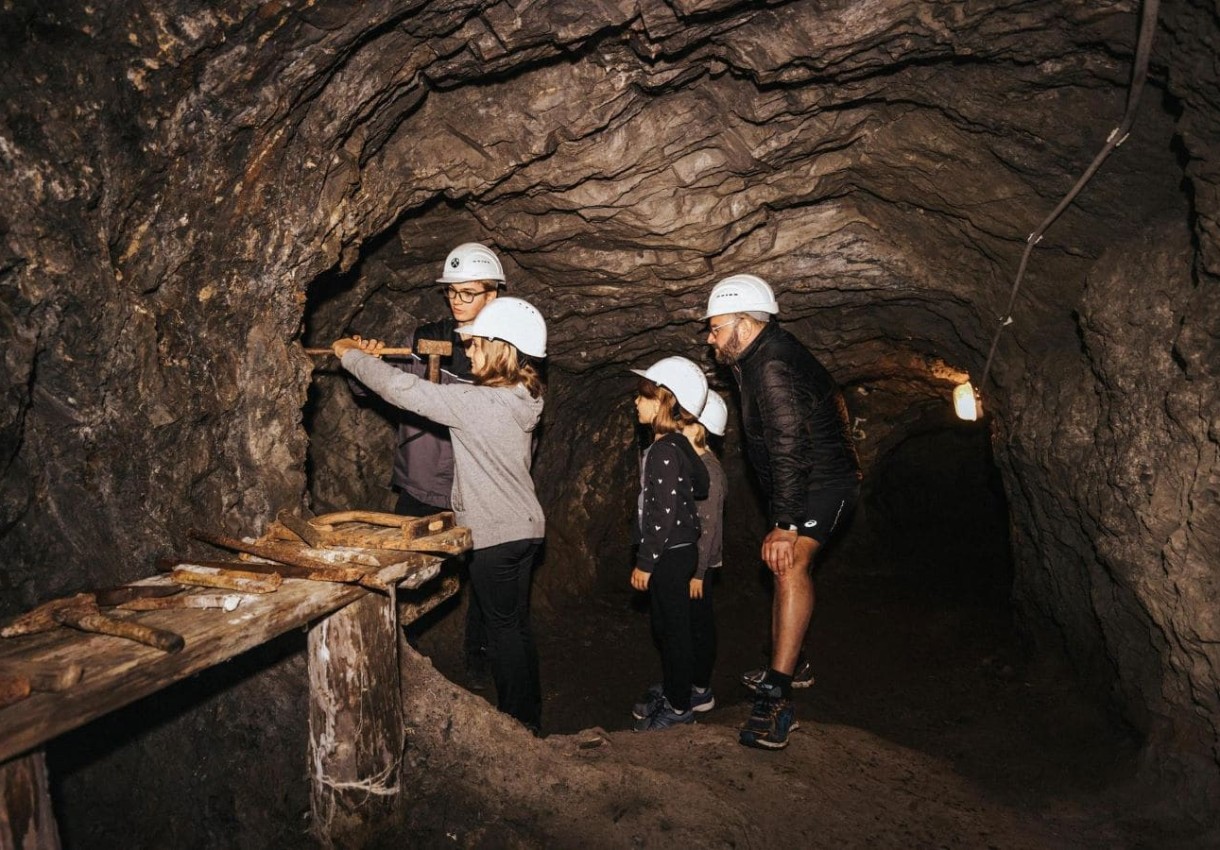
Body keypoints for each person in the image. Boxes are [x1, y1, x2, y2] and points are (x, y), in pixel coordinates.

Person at [334, 296, 548, 733]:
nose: (467, 351)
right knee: (514, 627)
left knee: (502, 631)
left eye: (476, 344)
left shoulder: (478, 404)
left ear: (501, 348)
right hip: (526, 531)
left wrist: (350, 355)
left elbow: (404, 391)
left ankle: (519, 725)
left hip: (496, 535)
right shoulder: (524, 395)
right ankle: (529, 717)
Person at [704, 274, 860, 751]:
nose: (709, 338)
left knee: (789, 561)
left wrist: (786, 522)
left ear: (744, 325)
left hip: (822, 485)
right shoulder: (755, 356)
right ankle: (792, 661)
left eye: (715, 328)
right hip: (804, 482)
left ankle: (777, 697)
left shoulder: (771, 365)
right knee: (780, 567)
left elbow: (789, 445)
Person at [348, 242, 504, 686]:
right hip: (420, 482)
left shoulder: (506, 349)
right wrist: (366, 366)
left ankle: (479, 658)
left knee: (482, 578)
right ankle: (401, 656)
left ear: (494, 294)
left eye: (467, 293)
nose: (457, 302)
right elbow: (388, 390)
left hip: (475, 486)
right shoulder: (426, 336)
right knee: (400, 571)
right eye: (451, 293)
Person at [630, 390, 727, 724]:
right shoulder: (681, 448)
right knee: (673, 628)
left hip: (669, 552)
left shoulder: (663, 450)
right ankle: (679, 690)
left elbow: (662, 514)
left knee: (675, 631)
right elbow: (698, 486)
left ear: (659, 404)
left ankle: (679, 706)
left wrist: (645, 561)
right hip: (682, 550)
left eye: (641, 398)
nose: (635, 403)